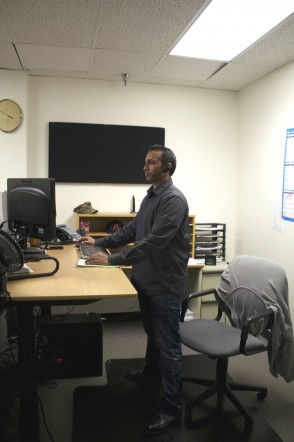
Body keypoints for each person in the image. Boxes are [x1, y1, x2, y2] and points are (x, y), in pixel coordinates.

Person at [78, 144, 190, 434]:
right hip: (146, 280)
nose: (145, 167)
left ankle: (170, 409)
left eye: (151, 163)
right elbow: (133, 231)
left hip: (164, 284)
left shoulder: (173, 200)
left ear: (168, 168)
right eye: (145, 162)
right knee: (153, 337)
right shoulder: (150, 197)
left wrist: (112, 258)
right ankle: (151, 378)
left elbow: (153, 242)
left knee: (169, 348)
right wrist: (100, 241)